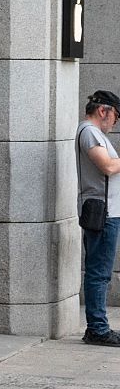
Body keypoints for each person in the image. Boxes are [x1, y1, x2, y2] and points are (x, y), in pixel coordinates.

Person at [76, 89, 120, 347]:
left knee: (100, 271)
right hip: (102, 212)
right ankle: (97, 328)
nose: (115, 121)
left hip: (106, 211)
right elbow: (107, 166)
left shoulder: (95, 133)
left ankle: (98, 326)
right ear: (103, 110)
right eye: (116, 115)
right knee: (99, 272)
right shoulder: (90, 133)